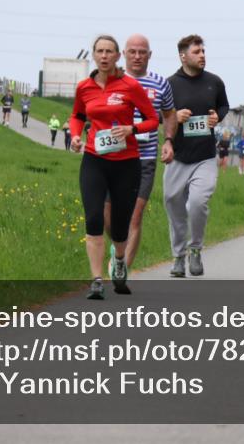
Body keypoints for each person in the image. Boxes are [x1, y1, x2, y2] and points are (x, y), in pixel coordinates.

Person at [70, 35, 158, 298]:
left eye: (110, 51)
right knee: (94, 218)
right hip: (94, 160)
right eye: (100, 51)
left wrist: (131, 128)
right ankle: (97, 279)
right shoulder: (84, 87)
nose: (105, 56)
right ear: (94, 55)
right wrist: (76, 135)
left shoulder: (129, 86)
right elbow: (77, 115)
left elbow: (153, 120)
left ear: (118, 56)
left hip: (126, 163)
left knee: (120, 226)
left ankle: (119, 259)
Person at [102, 34, 177, 269]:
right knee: (108, 216)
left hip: (143, 158)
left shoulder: (160, 83)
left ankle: (122, 267)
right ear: (123, 54)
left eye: (142, 52)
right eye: (132, 51)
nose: (137, 56)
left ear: (149, 55)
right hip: (112, 156)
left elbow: (169, 114)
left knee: (134, 215)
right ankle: (118, 244)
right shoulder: (107, 81)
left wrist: (168, 141)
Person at [163, 35, 229, 277]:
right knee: (174, 205)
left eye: (203, 51)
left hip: (204, 156)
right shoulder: (169, 84)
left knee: (198, 203)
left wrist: (217, 118)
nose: (202, 55)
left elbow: (223, 106)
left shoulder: (214, 82)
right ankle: (178, 257)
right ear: (183, 56)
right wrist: (174, 117)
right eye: (197, 51)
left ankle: (196, 249)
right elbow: (160, 114)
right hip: (178, 156)